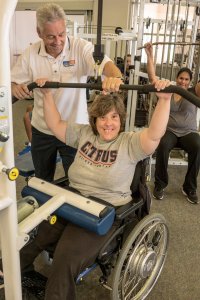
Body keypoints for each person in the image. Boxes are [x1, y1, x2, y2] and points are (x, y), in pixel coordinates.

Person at [16, 77, 172, 300]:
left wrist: (164, 100)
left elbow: (155, 134)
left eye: (114, 117)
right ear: (94, 120)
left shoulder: (129, 143)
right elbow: (55, 124)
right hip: (69, 201)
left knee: (65, 257)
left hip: (101, 212)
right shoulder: (85, 134)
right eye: (102, 117)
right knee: (31, 237)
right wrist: (47, 94)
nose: (108, 123)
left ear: (121, 119)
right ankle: (14, 273)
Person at [11, 3, 123, 182]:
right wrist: (14, 87)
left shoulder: (80, 47)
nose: (58, 41)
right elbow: (12, 83)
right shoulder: (30, 54)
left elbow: (108, 66)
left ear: (65, 28)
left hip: (75, 129)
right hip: (42, 129)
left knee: (77, 181)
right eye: (50, 37)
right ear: (39, 33)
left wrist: (114, 77)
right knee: (42, 180)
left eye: (61, 34)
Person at [145, 42, 200, 204]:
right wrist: (150, 56)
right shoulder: (169, 89)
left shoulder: (194, 93)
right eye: (181, 78)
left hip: (188, 132)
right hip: (169, 131)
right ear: (176, 79)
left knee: (198, 145)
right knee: (162, 145)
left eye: (186, 79)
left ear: (190, 82)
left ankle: (189, 187)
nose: (183, 81)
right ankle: (160, 184)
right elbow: (152, 78)